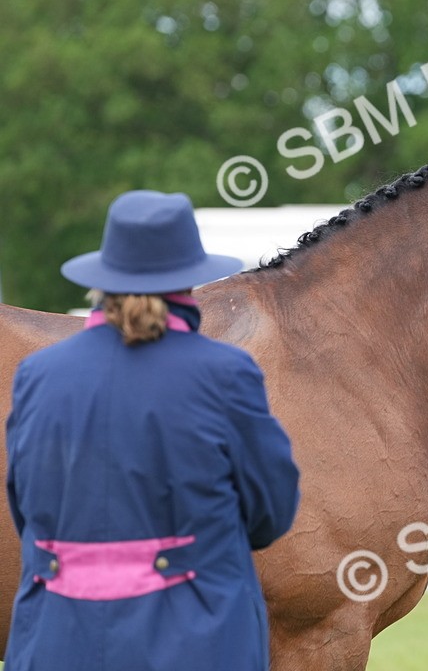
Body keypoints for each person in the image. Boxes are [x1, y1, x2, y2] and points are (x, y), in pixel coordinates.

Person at [5, 190, 300, 671]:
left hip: (58, 640)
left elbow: (28, 512)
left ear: (103, 279)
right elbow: (271, 512)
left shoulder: (39, 373)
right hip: (194, 642)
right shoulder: (226, 372)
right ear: (188, 281)